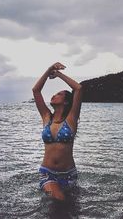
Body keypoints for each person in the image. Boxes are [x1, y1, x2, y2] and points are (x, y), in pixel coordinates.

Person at [32, 62, 82, 201]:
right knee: (59, 199)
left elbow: (78, 88)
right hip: (48, 174)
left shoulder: (71, 119)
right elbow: (36, 90)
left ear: (66, 102)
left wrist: (59, 74)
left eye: (59, 94)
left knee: (71, 208)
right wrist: (48, 70)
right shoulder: (46, 117)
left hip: (69, 175)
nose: (54, 95)